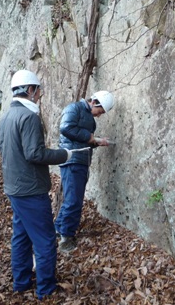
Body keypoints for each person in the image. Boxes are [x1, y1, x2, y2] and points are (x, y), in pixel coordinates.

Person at [0, 70, 71, 300]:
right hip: (30, 190)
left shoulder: (7, 116)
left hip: (15, 187)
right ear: (30, 90)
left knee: (21, 237)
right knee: (45, 240)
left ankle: (21, 282)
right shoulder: (29, 117)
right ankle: (46, 289)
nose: (40, 95)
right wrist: (64, 155)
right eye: (38, 90)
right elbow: (34, 153)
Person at [55, 90, 115, 253]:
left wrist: (96, 142)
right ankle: (66, 238)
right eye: (100, 111)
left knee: (72, 198)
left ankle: (58, 230)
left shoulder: (87, 116)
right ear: (95, 102)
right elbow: (66, 128)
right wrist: (91, 138)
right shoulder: (74, 109)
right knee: (74, 200)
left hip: (80, 160)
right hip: (72, 159)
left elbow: (83, 139)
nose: (99, 115)